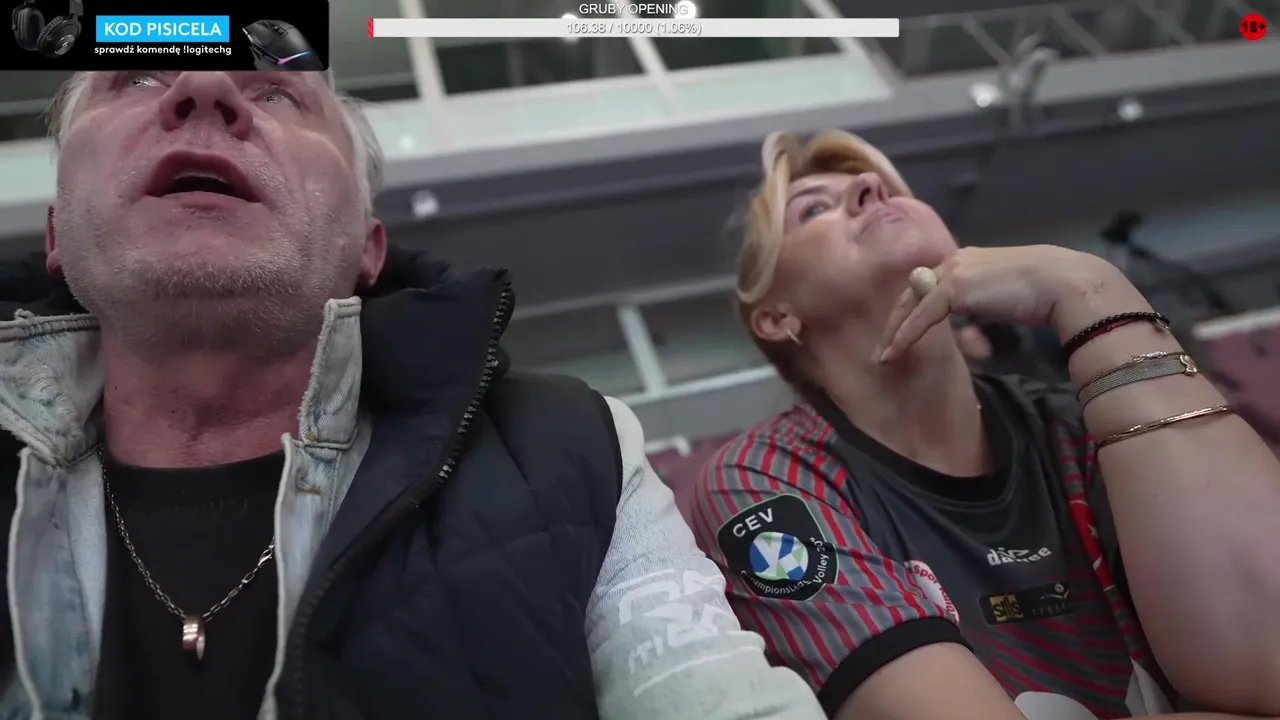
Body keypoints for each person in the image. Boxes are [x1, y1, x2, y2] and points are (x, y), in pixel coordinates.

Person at [0, 71, 825, 720]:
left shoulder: (572, 448)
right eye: (137, 78)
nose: (203, 87)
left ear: (368, 247)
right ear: (57, 234)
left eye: (279, 93)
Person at [689, 130, 1280, 720]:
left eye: (887, 187)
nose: (872, 187)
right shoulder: (764, 481)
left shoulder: (1080, 424)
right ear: (776, 317)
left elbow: (1266, 663)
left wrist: (1089, 291)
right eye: (814, 209)